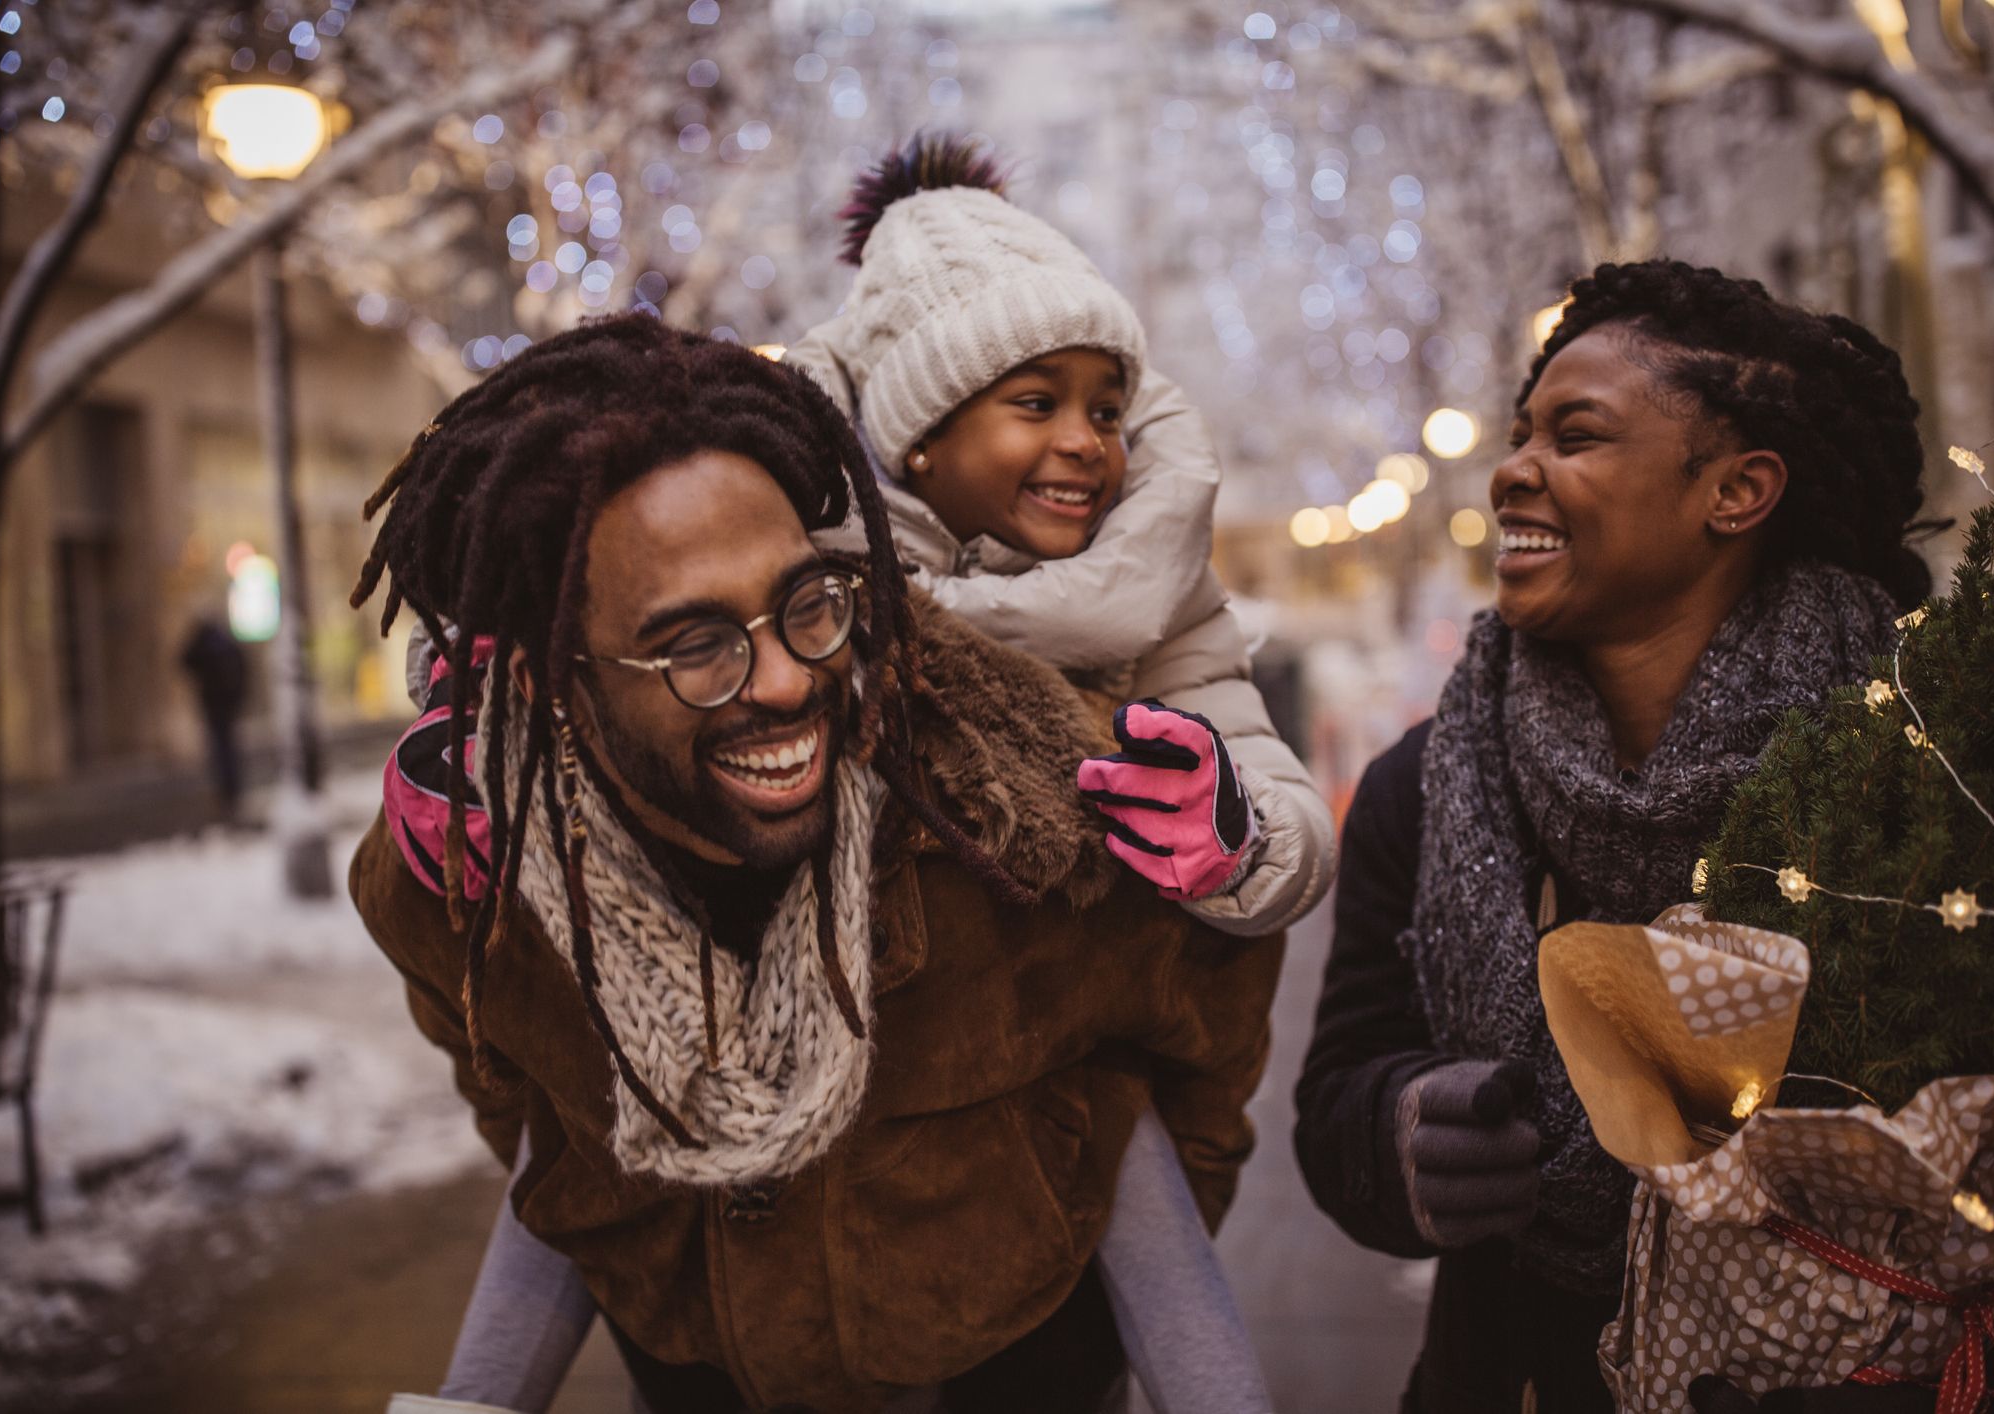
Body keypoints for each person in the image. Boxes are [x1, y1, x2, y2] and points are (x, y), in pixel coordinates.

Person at [350, 316, 1283, 1413]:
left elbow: (1202, 1053)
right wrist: (654, 1266)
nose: (789, 680)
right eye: (694, 642)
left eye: (805, 604)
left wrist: (1065, 1286)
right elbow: (533, 1114)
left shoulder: (1020, 816)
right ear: (560, 673)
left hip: (1014, 1366)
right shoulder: (463, 874)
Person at [1294, 261, 1946, 1413]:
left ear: (1736, 491)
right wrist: (1407, 1128)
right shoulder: (1431, 784)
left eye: (1576, 435)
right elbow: (1340, 1090)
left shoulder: (1923, 768)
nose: (1514, 472)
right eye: (1520, 433)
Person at [786, 131, 1334, 937]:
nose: (1086, 442)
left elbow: (1282, 797)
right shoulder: (802, 583)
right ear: (921, 436)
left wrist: (1242, 836)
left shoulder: (1158, 586)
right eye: (1037, 404)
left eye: (1106, 412)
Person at [178, 618, 250, 823]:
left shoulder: (204, 646)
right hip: (227, 706)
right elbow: (244, 668)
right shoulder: (227, 645)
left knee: (220, 749)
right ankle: (231, 789)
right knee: (228, 748)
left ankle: (226, 791)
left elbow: (184, 660)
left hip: (214, 706)